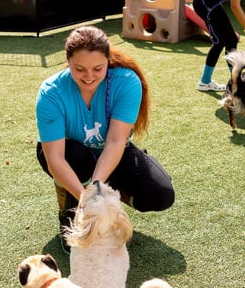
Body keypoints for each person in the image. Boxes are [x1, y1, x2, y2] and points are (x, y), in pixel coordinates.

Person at [35, 25, 175, 249]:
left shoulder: (127, 82)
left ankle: (108, 198)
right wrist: (85, 200)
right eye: (79, 69)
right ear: (68, 61)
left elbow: (116, 141)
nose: (89, 77)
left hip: (110, 151)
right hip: (71, 156)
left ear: (108, 61)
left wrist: (98, 190)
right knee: (76, 155)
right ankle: (68, 210)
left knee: (160, 195)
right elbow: (56, 158)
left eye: (98, 68)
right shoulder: (51, 92)